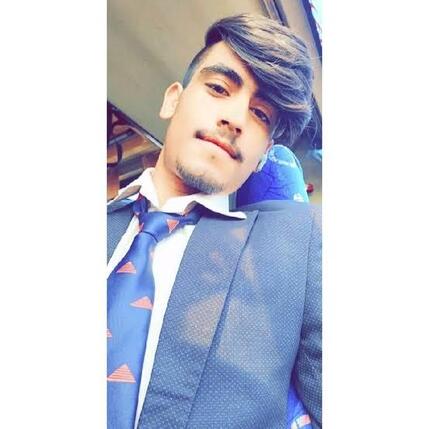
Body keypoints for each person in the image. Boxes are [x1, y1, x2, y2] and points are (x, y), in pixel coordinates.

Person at [108, 13, 321, 429]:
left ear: (262, 156)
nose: (236, 119)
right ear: (173, 100)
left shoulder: (298, 241)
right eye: (219, 88)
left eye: (260, 115)